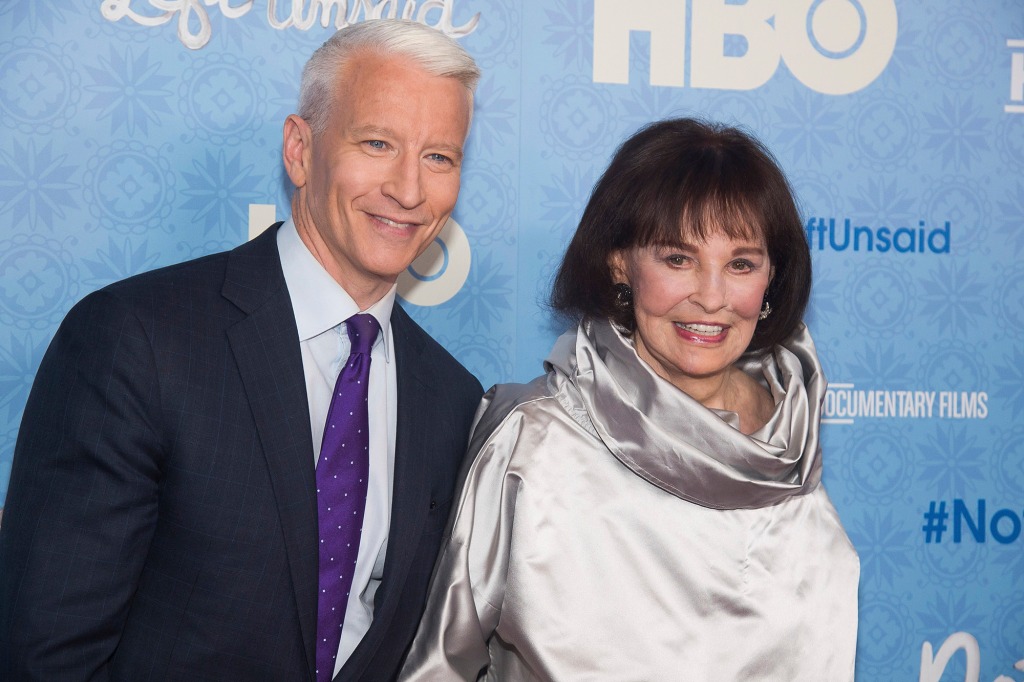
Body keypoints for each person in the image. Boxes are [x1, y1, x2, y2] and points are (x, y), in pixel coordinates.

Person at [0, 19, 483, 682]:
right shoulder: (137, 341)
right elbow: (45, 657)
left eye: (440, 157)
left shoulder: (453, 399)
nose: (408, 188)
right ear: (300, 149)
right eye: (377, 143)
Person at [399, 118, 860, 680]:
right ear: (621, 263)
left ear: (771, 279)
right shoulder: (531, 441)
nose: (711, 298)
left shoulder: (789, 447)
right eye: (677, 259)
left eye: (740, 264)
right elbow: (440, 666)